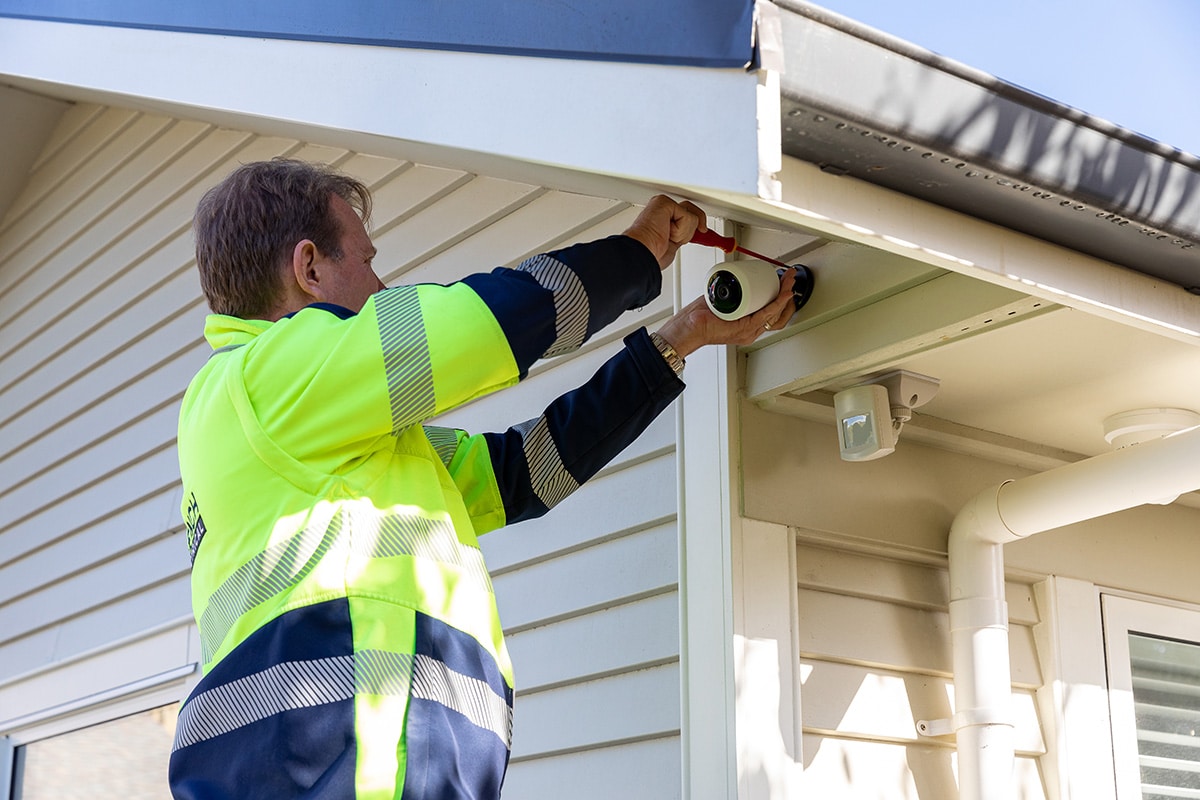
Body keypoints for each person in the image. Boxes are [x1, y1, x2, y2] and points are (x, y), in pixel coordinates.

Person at [168, 158, 798, 800]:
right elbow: (494, 321)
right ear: (309, 268)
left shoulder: (313, 438)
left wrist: (678, 340)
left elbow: (522, 472)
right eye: (366, 259)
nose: (381, 285)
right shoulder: (264, 379)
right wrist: (640, 253)